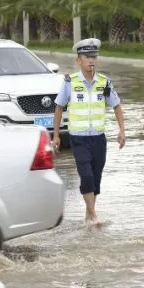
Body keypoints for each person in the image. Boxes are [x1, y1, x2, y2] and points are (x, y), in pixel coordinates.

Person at [52, 39, 126, 227]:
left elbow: (116, 105)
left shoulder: (104, 82)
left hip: (99, 138)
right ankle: (93, 216)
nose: (91, 60)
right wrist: (56, 135)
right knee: (86, 176)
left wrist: (122, 130)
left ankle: (88, 214)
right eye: (87, 57)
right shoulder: (70, 82)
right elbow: (59, 107)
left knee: (96, 178)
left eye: (94, 57)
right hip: (78, 138)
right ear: (78, 60)